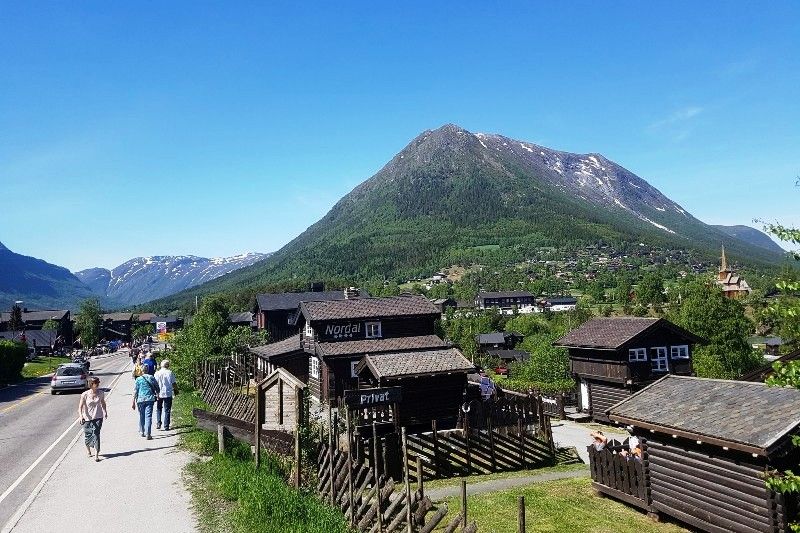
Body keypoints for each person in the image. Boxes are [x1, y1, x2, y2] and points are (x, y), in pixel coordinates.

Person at [78, 377, 107, 462]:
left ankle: (96, 455)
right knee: (88, 436)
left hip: (98, 417)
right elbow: (80, 407)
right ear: (91, 384)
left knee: (96, 434)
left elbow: (103, 402)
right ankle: (89, 451)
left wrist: (105, 411)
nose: (98, 384)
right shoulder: (85, 394)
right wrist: (81, 416)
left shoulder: (101, 393)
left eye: (98, 382)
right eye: (96, 382)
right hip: (87, 418)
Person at [132, 365, 159, 439]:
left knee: (142, 415)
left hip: (140, 400)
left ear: (141, 370)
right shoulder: (151, 377)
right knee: (148, 416)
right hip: (150, 399)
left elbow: (135, 391)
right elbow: (157, 387)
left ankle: (142, 431)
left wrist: (133, 402)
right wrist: (158, 393)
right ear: (148, 370)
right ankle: (148, 434)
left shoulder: (138, 379)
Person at [154, 359, 177, 431]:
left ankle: (158, 422)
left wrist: (155, 392)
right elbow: (173, 383)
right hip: (167, 393)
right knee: (167, 410)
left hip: (159, 393)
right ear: (167, 365)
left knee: (159, 408)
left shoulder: (157, 373)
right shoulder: (170, 373)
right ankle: (166, 425)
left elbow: (155, 383)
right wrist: (176, 390)